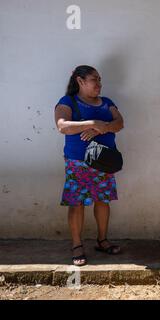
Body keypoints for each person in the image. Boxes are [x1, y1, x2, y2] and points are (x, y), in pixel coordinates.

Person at [54, 65, 124, 266]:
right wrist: (93, 122)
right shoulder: (68, 102)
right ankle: (77, 245)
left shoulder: (107, 102)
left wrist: (103, 128)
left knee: (103, 201)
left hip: (104, 162)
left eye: (100, 80)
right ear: (80, 81)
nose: (99, 84)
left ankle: (102, 240)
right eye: (95, 80)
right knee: (77, 203)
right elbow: (62, 126)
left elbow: (119, 123)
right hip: (78, 162)